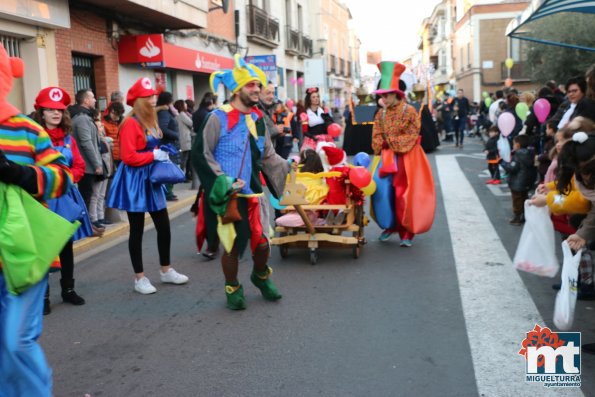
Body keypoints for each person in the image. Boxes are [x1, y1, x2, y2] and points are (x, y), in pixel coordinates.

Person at [0, 44, 73, 396]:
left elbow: (62, 177)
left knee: (16, 342)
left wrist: (17, 173)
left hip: (25, 255)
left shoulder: (25, 129)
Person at [192, 55, 292, 310]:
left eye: (258, 85)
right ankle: (232, 287)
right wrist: (222, 180)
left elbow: (268, 155)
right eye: (251, 85)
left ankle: (260, 276)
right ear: (237, 90)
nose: (257, 89)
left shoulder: (257, 120)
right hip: (228, 196)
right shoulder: (217, 118)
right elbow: (201, 153)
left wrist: (290, 170)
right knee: (232, 247)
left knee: (262, 243)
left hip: (254, 193)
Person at [107, 78, 189, 294]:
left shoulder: (149, 121)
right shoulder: (130, 123)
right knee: (137, 230)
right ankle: (139, 278)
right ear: (139, 101)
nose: (154, 100)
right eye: (149, 97)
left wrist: (161, 152)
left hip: (151, 179)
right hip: (134, 180)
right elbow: (128, 156)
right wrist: (153, 154)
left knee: (164, 226)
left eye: (153, 96)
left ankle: (166, 270)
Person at [32, 86, 93, 314]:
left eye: (59, 110)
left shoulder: (69, 138)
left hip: (65, 196)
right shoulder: (35, 138)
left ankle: (68, 289)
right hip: (42, 199)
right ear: (41, 112)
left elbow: (79, 165)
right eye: (50, 110)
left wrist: (64, 180)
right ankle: (43, 296)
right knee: (44, 249)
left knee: (66, 247)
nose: (56, 114)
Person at [370, 60, 434, 246]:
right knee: (383, 192)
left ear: (395, 94)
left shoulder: (410, 111)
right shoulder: (380, 114)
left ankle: (406, 232)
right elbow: (376, 134)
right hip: (387, 158)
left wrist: (389, 142)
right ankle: (389, 226)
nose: (383, 99)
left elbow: (413, 134)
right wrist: (380, 144)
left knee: (404, 194)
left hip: (407, 158)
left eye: (386, 95)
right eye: (382, 95)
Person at [70, 88, 103, 208]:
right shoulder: (82, 119)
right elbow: (86, 143)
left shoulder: (85, 117)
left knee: (88, 197)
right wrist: (97, 164)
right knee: (85, 198)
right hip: (85, 167)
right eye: (93, 97)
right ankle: (86, 224)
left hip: (87, 166)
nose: (95, 100)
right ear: (86, 100)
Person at [501, 135, 537, 225]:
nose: (513, 145)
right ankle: (524, 216)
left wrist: (502, 163)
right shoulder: (530, 153)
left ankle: (517, 217)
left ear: (517, 144)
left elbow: (512, 168)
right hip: (527, 180)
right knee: (524, 198)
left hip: (517, 181)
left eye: (513, 143)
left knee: (516, 199)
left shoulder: (518, 154)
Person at [156, 91, 180, 201]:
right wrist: (176, 135)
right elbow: (163, 128)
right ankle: (167, 193)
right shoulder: (164, 112)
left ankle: (168, 192)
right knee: (169, 169)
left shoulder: (165, 111)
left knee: (170, 168)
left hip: (169, 144)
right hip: (168, 145)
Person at [173, 99, 193, 180]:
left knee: (184, 159)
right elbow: (191, 123)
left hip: (182, 139)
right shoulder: (182, 114)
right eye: (184, 104)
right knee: (185, 160)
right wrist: (190, 116)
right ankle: (183, 175)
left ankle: (183, 175)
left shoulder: (177, 115)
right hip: (186, 139)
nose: (186, 105)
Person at [102, 101, 125, 167]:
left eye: (117, 114)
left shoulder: (122, 122)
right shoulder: (104, 124)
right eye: (113, 113)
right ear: (109, 111)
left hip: (122, 155)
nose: (115, 116)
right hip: (111, 157)